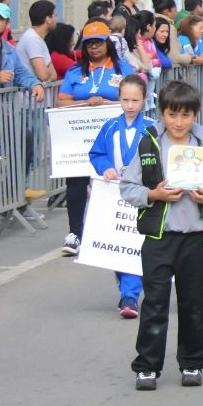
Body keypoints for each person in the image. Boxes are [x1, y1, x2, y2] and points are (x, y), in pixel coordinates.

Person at [121, 80, 203, 391]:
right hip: (159, 238)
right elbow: (128, 187)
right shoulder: (149, 144)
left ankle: (192, 363)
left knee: (194, 303)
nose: (179, 122)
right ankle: (147, 367)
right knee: (155, 303)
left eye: (186, 115)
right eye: (172, 114)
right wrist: (154, 194)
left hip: (195, 239)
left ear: (195, 115)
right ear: (162, 113)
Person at [56, 20, 137, 256]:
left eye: (98, 43)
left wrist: (108, 103)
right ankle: (75, 233)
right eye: (89, 44)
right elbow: (61, 102)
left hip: (114, 136)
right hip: (80, 137)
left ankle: (117, 228)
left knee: (114, 178)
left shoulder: (123, 69)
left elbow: (135, 98)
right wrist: (84, 102)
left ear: (107, 44)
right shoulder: (75, 71)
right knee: (77, 182)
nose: (93, 48)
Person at [85, 73, 151, 317]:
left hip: (141, 194)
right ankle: (126, 287)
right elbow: (97, 153)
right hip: (114, 193)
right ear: (119, 99)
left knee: (136, 242)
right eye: (125, 100)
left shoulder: (151, 129)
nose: (130, 106)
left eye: (135, 100)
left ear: (144, 100)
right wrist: (106, 168)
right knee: (117, 243)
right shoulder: (111, 126)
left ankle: (130, 296)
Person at [15, 0, 57, 83]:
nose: (56, 19)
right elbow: (43, 75)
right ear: (48, 19)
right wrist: (46, 70)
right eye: (54, 15)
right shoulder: (32, 39)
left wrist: (46, 70)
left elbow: (54, 75)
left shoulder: (38, 39)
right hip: (30, 94)